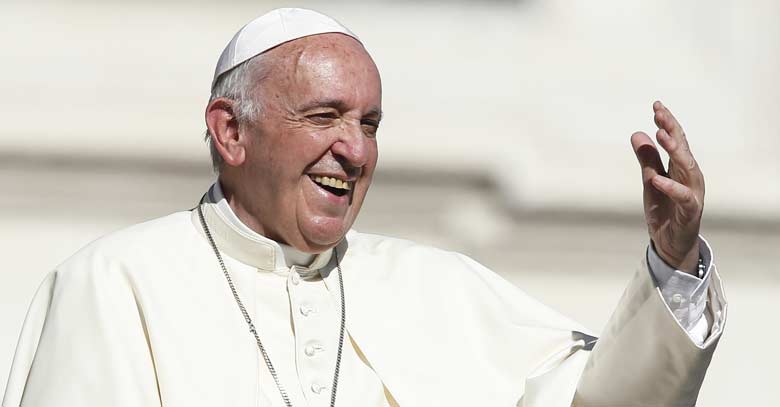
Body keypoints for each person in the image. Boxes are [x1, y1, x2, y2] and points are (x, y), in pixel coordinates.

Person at [2, 8, 726, 407]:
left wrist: (673, 261)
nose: (355, 150)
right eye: (324, 117)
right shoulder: (115, 285)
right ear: (231, 132)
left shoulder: (437, 287)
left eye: (370, 124)